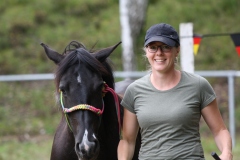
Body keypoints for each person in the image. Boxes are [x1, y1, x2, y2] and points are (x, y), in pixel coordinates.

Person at [117, 23, 232, 160]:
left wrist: (226, 152)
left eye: (166, 47)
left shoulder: (199, 85)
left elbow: (220, 130)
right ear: (146, 51)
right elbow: (128, 141)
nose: (159, 53)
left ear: (177, 50)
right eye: (153, 47)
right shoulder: (134, 91)